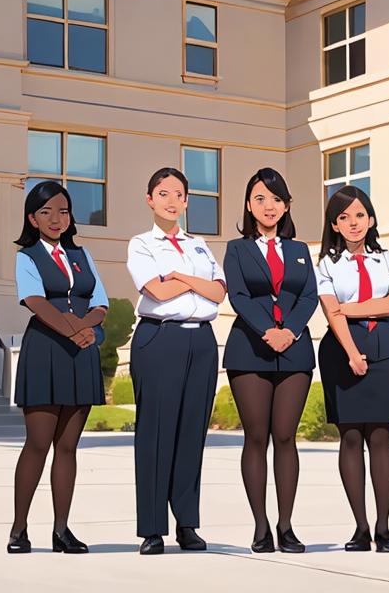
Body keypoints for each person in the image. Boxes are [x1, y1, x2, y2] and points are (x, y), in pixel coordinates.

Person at [127, 167, 227, 556]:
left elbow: (219, 293)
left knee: (191, 435)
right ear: (150, 199)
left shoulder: (200, 244)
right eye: (163, 193)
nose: (172, 201)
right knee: (155, 434)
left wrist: (180, 278)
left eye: (179, 194)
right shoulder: (141, 244)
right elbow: (154, 289)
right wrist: (191, 283)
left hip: (201, 342)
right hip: (159, 340)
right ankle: (152, 529)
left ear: (187, 201)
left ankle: (187, 523)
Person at [8, 180, 108, 554]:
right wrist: (77, 329)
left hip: (82, 353)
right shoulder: (27, 256)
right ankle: (19, 529)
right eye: (46, 212)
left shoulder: (83, 255)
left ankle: (61, 530)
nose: (56, 218)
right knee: (37, 444)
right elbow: (35, 301)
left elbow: (100, 302)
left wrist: (88, 328)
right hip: (46, 352)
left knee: (68, 447)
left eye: (63, 211)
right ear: (32, 218)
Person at [222, 167, 318, 553]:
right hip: (250, 349)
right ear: (249, 204)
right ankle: (261, 526)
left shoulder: (299, 250)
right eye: (260, 198)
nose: (269, 206)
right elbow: (239, 297)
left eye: (276, 199)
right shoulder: (236, 248)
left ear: (287, 205)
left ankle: (286, 525)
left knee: (286, 437)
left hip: (295, 352)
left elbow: (309, 296)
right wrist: (268, 331)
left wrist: (289, 331)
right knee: (256, 437)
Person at [316, 185, 389, 552]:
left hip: (384, 346)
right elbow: (329, 312)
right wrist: (352, 352)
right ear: (334, 224)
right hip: (341, 349)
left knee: (381, 437)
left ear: (371, 219)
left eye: (360, 215)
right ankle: (361, 528)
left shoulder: (385, 258)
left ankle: (384, 528)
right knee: (350, 437)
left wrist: (349, 308)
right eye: (344, 217)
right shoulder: (325, 264)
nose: (354, 223)